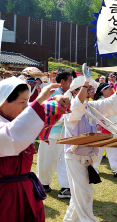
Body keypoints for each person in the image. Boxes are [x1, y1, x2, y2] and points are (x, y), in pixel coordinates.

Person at [0, 78, 61, 221]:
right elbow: (12, 137)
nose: (26, 107)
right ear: (4, 100)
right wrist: (38, 101)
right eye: (22, 102)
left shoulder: (12, 121)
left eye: (28, 102)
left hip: (24, 191)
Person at [63, 77, 117, 222]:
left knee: (79, 194)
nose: (91, 92)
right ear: (76, 92)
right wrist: (85, 83)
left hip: (88, 158)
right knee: (85, 193)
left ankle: (69, 220)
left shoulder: (90, 106)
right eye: (88, 89)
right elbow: (77, 108)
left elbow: (109, 104)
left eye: (91, 89)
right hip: (75, 157)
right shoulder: (71, 108)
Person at [37, 68, 72, 197]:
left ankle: (65, 187)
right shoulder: (51, 93)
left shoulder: (71, 94)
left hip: (67, 133)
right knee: (47, 159)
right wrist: (64, 117)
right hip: (50, 132)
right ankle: (44, 183)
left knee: (65, 160)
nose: (71, 83)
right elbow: (45, 113)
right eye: (69, 80)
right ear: (62, 81)